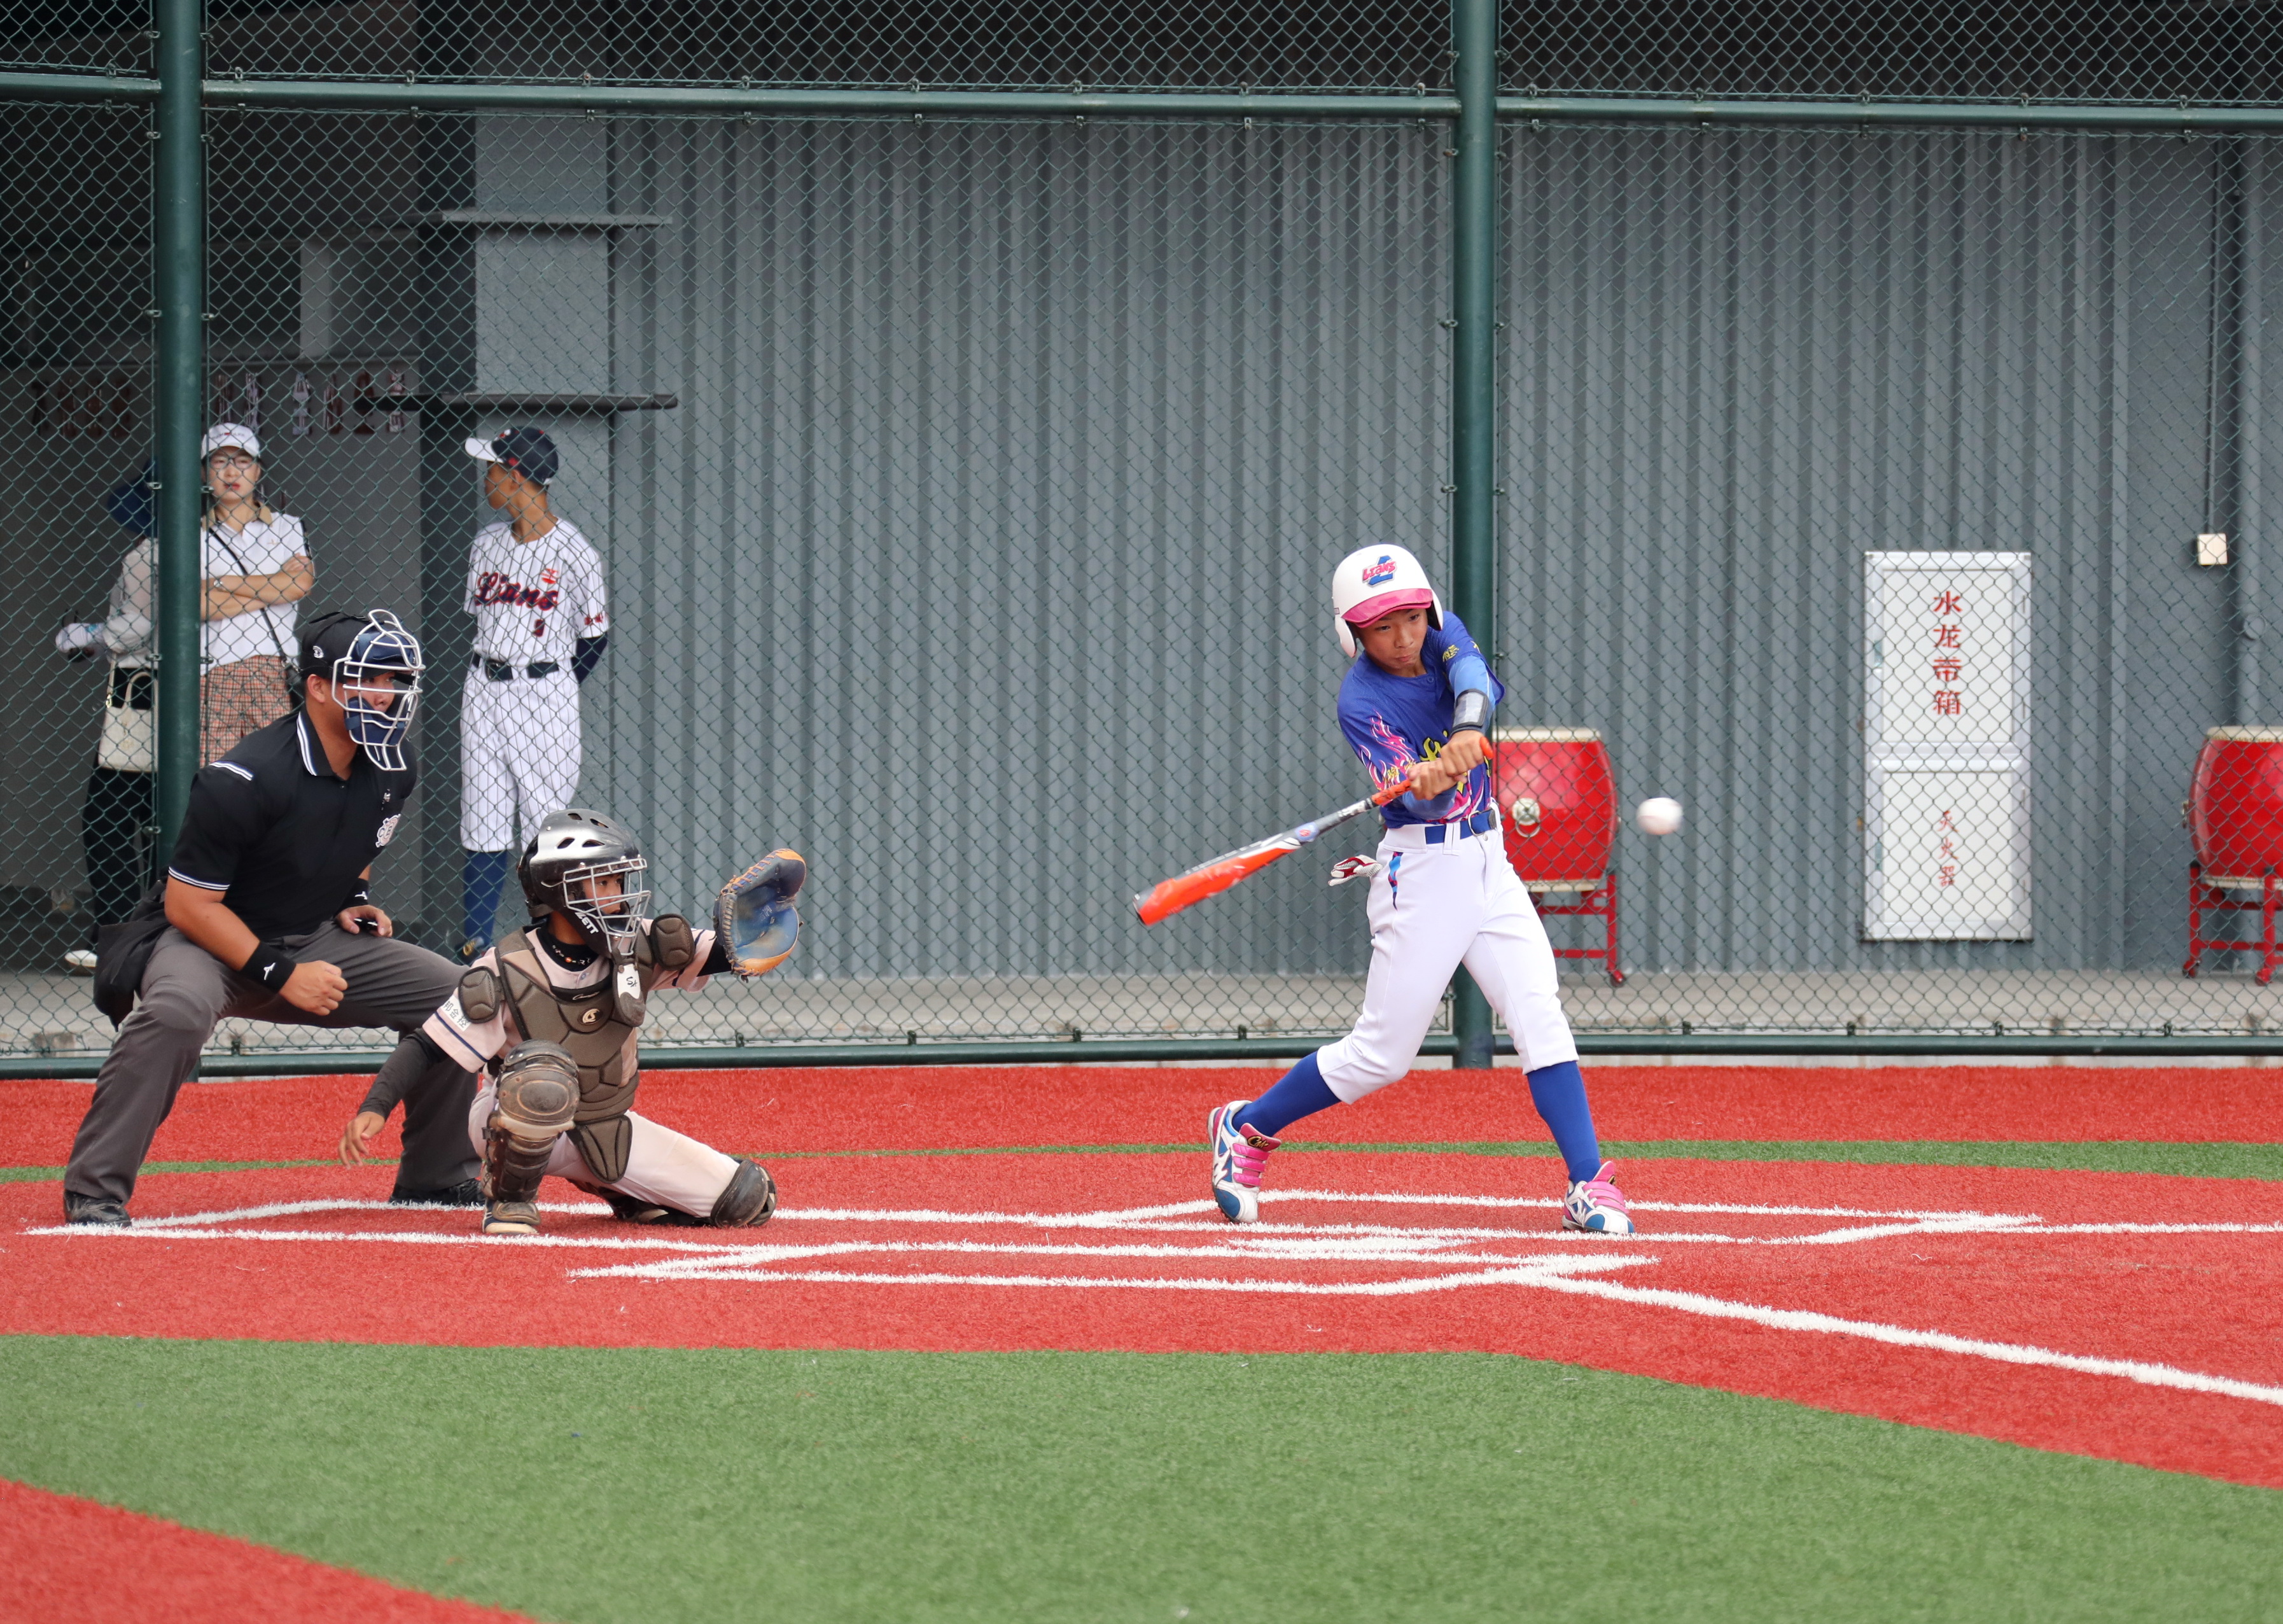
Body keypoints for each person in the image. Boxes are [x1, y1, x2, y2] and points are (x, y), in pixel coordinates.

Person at [1206, 545, 1635, 1235]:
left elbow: (1475, 677)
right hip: (1424, 874)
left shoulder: (1441, 638)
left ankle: (1587, 1181)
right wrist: (1428, 779)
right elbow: (1425, 806)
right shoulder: (1362, 701)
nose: (1404, 636)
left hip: (1490, 857)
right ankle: (1247, 1126)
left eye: (1410, 617)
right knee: (1382, 1055)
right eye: (1383, 626)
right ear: (1355, 634)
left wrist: (1466, 730)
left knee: (1538, 1011)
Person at [60, 610, 482, 1227]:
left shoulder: (395, 762)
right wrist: (282, 974)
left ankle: (438, 1178)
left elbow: (355, 845)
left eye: (397, 680)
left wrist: (352, 895)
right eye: (372, 678)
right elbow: (189, 905)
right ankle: (94, 1193)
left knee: (457, 994)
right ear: (317, 686)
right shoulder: (244, 776)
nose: (389, 695)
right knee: (175, 1012)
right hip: (205, 939)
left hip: (311, 933)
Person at [338, 809, 800, 1236]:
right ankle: (510, 1198)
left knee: (747, 1199)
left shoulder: (636, 942)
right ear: (561, 890)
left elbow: (721, 952)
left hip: (603, 1123)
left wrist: (751, 928)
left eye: (619, 881)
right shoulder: (505, 966)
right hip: (507, 1122)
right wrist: (374, 1107)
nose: (618, 896)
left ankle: (615, 1183)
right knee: (544, 1073)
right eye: (603, 881)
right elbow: (426, 1046)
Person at [53, 447, 316, 971]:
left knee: (110, 817)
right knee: (166, 816)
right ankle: (149, 926)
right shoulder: (183, 543)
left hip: (145, 701)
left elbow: (138, 626)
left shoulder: (153, 550)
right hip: (181, 692)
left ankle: (123, 928)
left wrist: (82, 635)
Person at [456, 428, 610, 961]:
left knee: (545, 824)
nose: (487, 478)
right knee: (482, 813)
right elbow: (484, 616)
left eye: (494, 469)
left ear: (518, 475)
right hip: (483, 684)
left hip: (544, 689)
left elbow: (594, 637)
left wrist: (553, 686)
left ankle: (553, 943)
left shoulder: (575, 553)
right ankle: (475, 942)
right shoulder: (487, 544)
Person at [193, 423, 314, 764]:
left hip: (274, 667)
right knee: (217, 779)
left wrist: (221, 583)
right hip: (213, 668)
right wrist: (274, 586)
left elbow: (300, 585)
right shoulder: (191, 534)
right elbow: (197, 605)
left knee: (276, 776)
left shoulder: (288, 526)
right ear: (204, 471)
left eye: (243, 461)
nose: (232, 471)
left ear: (258, 469)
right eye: (219, 462)